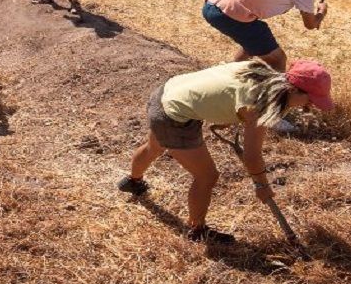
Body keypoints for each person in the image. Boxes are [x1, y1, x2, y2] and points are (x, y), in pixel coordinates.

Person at [117, 59, 334, 243]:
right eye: (309, 101)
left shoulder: (258, 68)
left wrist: (225, 114)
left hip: (168, 93)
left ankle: (133, 182)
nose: (309, 107)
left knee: (154, 146)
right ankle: (197, 231)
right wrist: (261, 185)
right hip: (173, 114)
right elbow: (252, 155)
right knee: (207, 176)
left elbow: (226, 90)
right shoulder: (260, 104)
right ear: (294, 89)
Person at [202, 0, 331, 72]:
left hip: (211, 5)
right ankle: (275, 96)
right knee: (278, 60)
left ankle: (231, 75)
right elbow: (310, 24)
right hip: (228, 14)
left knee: (252, 43)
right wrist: (322, 12)